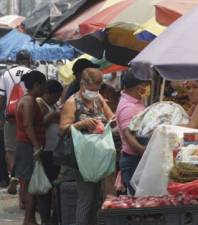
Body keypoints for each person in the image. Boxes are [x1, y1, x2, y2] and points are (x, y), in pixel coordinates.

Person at [60, 68, 114, 225]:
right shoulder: (72, 102)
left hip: (99, 155)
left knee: (97, 197)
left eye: (97, 89)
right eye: (91, 89)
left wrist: (107, 122)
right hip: (82, 157)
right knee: (86, 198)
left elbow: (111, 117)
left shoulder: (98, 99)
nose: (94, 92)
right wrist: (80, 124)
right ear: (82, 84)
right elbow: (62, 130)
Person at [0, 50, 32, 195]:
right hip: (28, 116)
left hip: (10, 117)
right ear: (28, 59)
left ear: (16, 60)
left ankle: (14, 176)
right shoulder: (32, 72)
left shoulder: (6, 74)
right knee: (27, 148)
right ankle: (23, 179)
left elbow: (0, 98)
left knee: (10, 150)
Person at [15, 71, 46, 225]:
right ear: (37, 85)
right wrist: (36, 146)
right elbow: (27, 124)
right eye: (43, 85)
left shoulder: (29, 100)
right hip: (27, 146)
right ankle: (28, 218)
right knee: (30, 184)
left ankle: (30, 217)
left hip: (27, 144)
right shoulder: (29, 101)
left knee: (30, 183)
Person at [116, 70, 149, 195]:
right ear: (138, 87)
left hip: (137, 158)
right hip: (133, 160)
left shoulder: (136, 102)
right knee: (138, 199)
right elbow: (128, 136)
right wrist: (145, 153)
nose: (146, 87)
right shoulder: (128, 107)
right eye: (145, 85)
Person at [36, 79, 63, 225]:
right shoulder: (40, 103)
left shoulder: (52, 104)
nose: (57, 99)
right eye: (55, 96)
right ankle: (45, 218)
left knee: (53, 185)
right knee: (46, 187)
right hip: (46, 150)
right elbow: (40, 123)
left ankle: (51, 218)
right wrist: (54, 115)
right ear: (48, 93)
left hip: (54, 149)